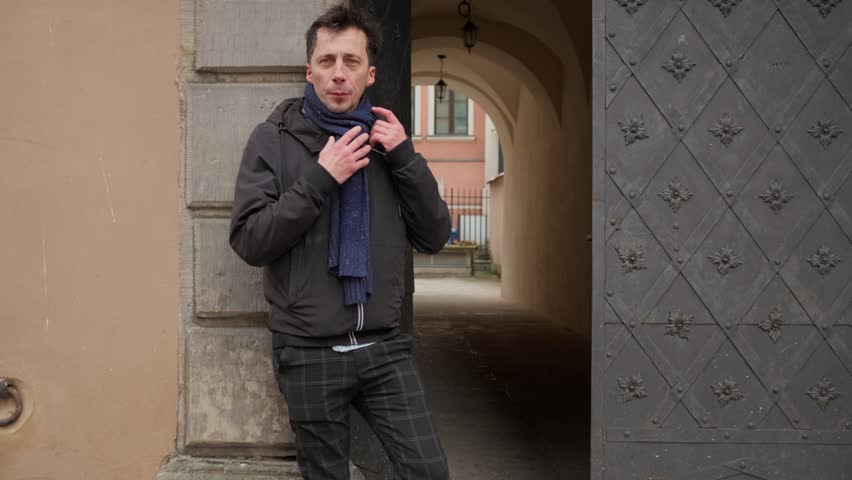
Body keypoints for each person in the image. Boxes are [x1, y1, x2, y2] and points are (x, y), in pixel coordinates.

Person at [229, 5, 451, 480]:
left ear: (370, 74)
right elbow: (250, 239)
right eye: (327, 61)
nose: (338, 74)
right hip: (308, 352)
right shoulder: (273, 141)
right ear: (309, 71)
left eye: (351, 62)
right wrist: (320, 179)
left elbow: (434, 236)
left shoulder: (388, 146)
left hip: (384, 349)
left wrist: (406, 159)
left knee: (429, 471)